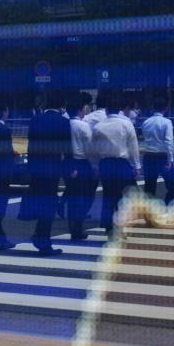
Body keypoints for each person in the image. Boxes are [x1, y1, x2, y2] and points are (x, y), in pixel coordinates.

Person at [18, 90, 72, 255]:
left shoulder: (36, 120)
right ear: (62, 105)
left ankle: (40, 235)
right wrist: (68, 169)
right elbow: (67, 149)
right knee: (50, 204)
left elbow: (30, 146)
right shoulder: (63, 122)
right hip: (52, 168)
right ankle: (43, 240)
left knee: (40, 201)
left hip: (37, 168)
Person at [92, 92, 141, 239]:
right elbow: (134, 146)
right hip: (122, 163)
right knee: (123, 197)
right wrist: (137, 166)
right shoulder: (126, 123)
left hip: (105, 164)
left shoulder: (98, 127)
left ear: (106, 109)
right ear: (119, 109)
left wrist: (95, 167)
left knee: (108, 196)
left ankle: (109, 228)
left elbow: (94, 149)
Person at [65, 92, 97, 240]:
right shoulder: (83, 126)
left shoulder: (64, 123)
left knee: (73, 196)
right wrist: (94, 166)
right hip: (82, 163)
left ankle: (73, 227)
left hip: (67, 162)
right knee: (86, 196)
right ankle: (77, 226)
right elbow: (90, 148)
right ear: (80, 109)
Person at [141, 98, 174, 205]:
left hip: (148, 156)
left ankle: (150, 212)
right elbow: (169, 141)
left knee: (149, 187)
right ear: (165, 109)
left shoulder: (146, 122)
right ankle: (166, 206)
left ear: (153, 108)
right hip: (162, 156)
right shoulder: (167, 122)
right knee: (172, 186)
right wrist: (170, 159)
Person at [0, 99, 15, 250]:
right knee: (0, 208)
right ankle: (2, 239)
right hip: (1, 176)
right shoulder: (3, 130)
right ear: (4, 112)